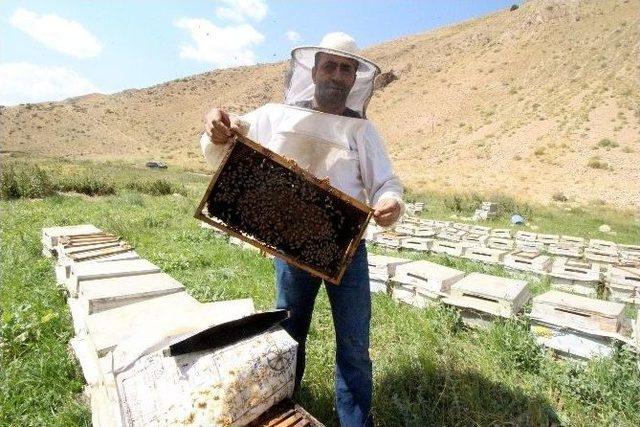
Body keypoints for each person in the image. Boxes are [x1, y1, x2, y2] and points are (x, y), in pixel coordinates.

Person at [200, 32, 404, 427]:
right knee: (288, 336)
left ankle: (355, 421)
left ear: (355, 78)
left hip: (346, 251)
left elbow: (387, 184)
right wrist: (215, 126)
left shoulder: (363, 131)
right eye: (330, 64)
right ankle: (283, 410)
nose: (337, 74)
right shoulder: (275, 116)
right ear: (313, 70)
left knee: (355, 345)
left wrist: (391, 203)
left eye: (347, 68)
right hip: (290, 249)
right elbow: (224, 141)